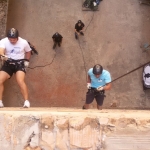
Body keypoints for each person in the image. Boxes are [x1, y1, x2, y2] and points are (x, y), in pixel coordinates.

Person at [0, 28, 31, 108]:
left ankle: (26, 101)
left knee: (20, 81)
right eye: (11, 39)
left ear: (17, 37)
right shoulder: (4, 41)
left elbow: (28, 51)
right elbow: (1, 50)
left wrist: (27, 61)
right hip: (8, 63)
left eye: (14, 39)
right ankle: (0, 102)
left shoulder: (24, 42)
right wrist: (3, 56)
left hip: (19, 63)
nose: (12, 41)